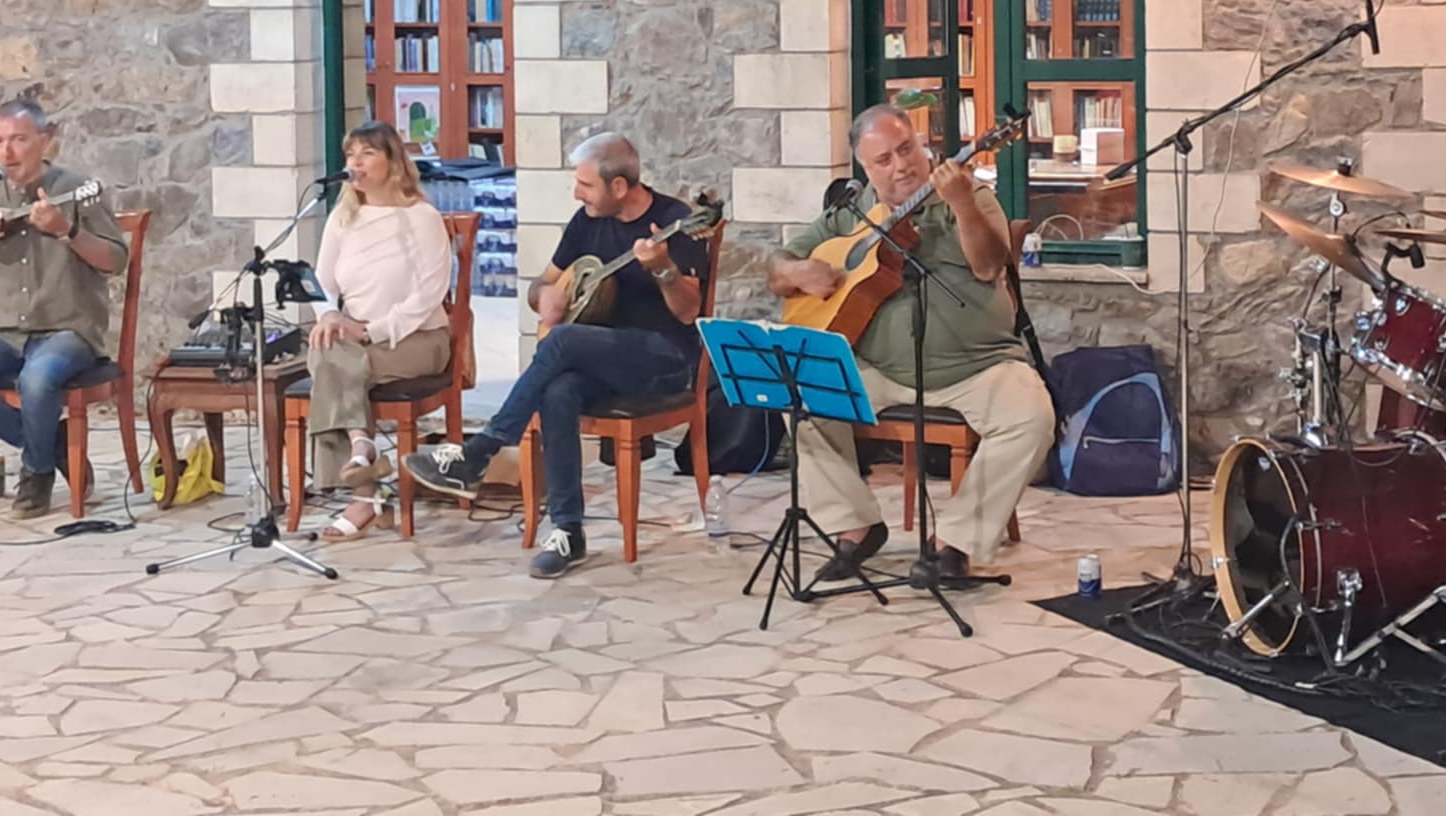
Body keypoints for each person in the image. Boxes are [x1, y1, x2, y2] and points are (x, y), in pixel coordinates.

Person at [766, 104, 1054, 587]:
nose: (901, 166)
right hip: (879, 367)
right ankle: (855, 525)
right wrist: (798, 271)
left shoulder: (972, 195)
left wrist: (960, 204)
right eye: (884, 160)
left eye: (906, 150)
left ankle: (954, 543)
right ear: (865, 169)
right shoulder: (853, 210)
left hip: (978, 364)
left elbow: (989, 265)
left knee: (1032, 416)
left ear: (923, 147)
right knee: (800, 394)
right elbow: (776, 266)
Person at [407, 134, 706, 578]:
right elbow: (541, 285)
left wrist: (662, 267)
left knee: (563, 342)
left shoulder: (674, 223)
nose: (576, 193)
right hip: (601, 359)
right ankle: (568, 530)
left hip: (664, 358)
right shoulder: (587, 221)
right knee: (559, 390)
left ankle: (481, 450)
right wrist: (544, 296)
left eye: (585, 185)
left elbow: (688, 312)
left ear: (619, 186)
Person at [0, 97, 128, 518]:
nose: (6, 152)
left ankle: (37, 473)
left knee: (37, 379)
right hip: (2, 333)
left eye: (19, 140)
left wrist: (66, 230)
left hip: (67, 330)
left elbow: (115, 261)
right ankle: (51, 444)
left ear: (45, 140)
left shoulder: (78, 189)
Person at [305, 121, 455, 541]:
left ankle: (364, 489)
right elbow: (322, 283)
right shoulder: (343, 217)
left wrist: (372, 331)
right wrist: (329, 316)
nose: (355, 162)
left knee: (330, 366)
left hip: (416, 339)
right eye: (350, 154)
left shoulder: (421, 217)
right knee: (326, 349)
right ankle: (363, 458)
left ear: (393, 162)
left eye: (367, 153)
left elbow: (430, 293)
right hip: (352, 342)